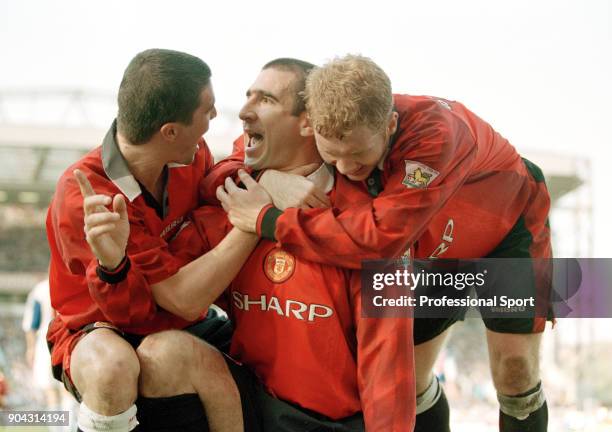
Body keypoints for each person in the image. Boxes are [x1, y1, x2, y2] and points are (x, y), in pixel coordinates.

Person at [217, 54, 553, 432]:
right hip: (429, 250)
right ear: (311, 126)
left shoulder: (437, 135)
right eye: (333, 156)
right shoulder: (329, 119)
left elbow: (377, 243)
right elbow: (228, 163)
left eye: (359, 157)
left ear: (390, 123)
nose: (345, 170)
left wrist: (270, 220)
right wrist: (270, 179)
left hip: (504, 231)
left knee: (515, 372)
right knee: (413, 385)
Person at [104, 58, 415, 431]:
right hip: (251, 404)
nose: (244, 112)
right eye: (248, 97)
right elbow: (156, 300)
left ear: (309, 122)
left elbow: (388, 370)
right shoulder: (229, 203)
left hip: (331, 422)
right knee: (162, 354)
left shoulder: (360, 231)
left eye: (265, 100)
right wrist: (110, 266)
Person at [45, 48, 258, 432]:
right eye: (207, 109)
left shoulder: (192, 156)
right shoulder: (85, 196)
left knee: (263, 347)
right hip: (98, 326)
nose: (215, 117)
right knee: (111, 366)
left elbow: (221, 186)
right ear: (170, 131)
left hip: (173, 319)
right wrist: (256, 220)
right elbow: (168, 300)